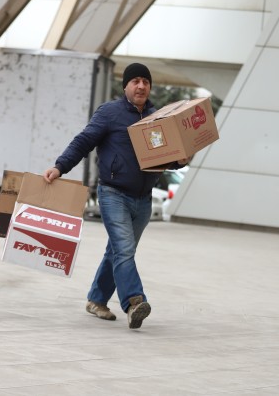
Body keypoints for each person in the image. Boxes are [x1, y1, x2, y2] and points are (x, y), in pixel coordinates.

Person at [43, 62, 186, 329]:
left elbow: (168, 156)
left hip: (143, 198)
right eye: (135, 81)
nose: (141, 85)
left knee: (117, 251)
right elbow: (83, 141)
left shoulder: (158, 118)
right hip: (113, 193)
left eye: (145, 81)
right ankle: (134, 303)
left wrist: (182, 159)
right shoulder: (110, 113)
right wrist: (60, 166)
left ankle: (96, 300)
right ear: (126, 86)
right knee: (124, 249)